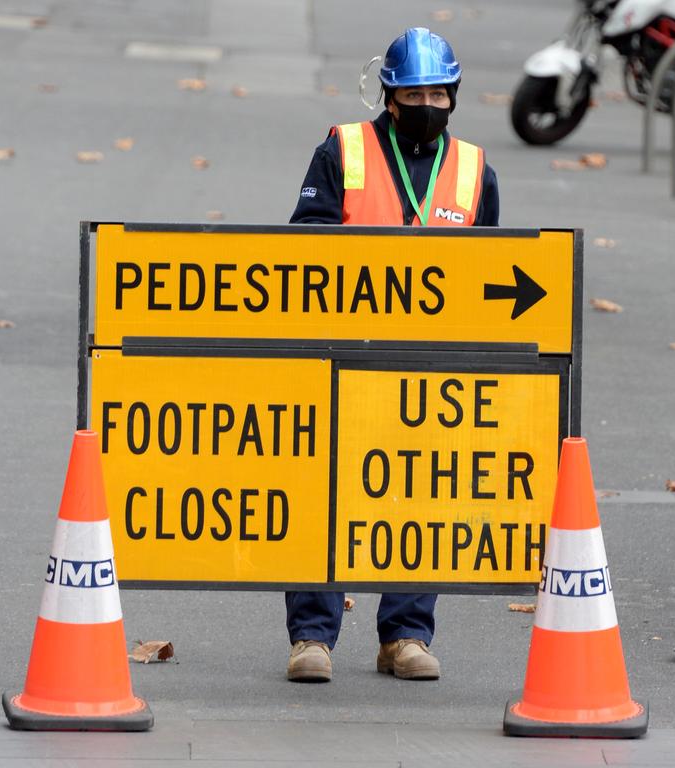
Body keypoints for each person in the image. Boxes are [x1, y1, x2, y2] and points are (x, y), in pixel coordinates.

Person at [286, 27, 500, 683]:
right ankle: (312, 639)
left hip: (429, 367)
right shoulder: (342, 150)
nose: (428, 103)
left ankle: (405, 635)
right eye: (414, 93)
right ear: (390, 97)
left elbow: (494, 271)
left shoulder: (473, 170)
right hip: (341, 353)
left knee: (421, 494)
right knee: (324, 492)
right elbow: (306, 247)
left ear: (454, 95)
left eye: (439, 92)